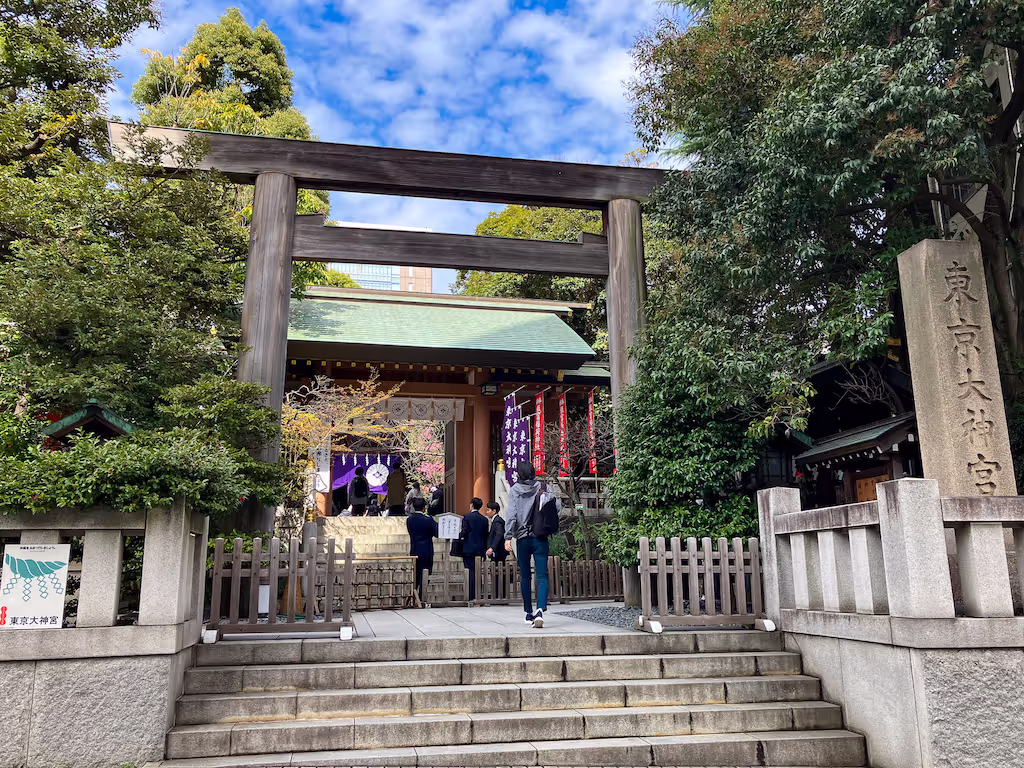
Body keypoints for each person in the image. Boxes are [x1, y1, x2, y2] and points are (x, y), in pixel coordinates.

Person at [505, 460, 560, 628]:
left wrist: (508, 536)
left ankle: (528, 612)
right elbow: (556, 507)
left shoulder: (515, 490)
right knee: (542, 575)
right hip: (540, 536)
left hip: (522, 538)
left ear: (519, 474)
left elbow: (512, 513)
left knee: (525, 575)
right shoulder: (543, 487)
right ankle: (540, 610)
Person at [406, 496, 437, 600]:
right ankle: (422, 596)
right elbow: (436, 533)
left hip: (414, 550)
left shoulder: (409, 520)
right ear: (424, 508)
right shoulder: (428, 520)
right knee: (426, 574)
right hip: (426, 551)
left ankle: (414, 597)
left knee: (416, 575)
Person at [460, 497, 489, 601]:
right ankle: (478, 593)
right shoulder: (484, 519)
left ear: (471, 505)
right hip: (480, 548)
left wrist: (458, 536)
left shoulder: (467, 517)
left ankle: (471, 594)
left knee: (469, 570)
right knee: (477, 571)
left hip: (468, 548)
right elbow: (486, 535)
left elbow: (464, 531)